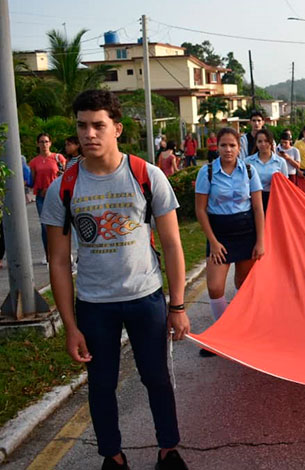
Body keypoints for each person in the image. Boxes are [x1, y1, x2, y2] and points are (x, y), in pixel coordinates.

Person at [42, 89, 189, 470]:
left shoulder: (146, 174)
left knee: (157, 378)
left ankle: (168, 450)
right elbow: (58, 262)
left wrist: (177, 306)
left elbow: (173, 244)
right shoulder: (64, 187)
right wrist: (70, 326)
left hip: (145, 297)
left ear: (117, 129)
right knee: (102, 386)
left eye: (98, 125)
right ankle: (113, 455)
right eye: (82, 126)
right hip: (94, 306)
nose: (89, 133)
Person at [195, 127, 265, 357]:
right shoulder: (207, 173)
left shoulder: (249, 170)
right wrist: (213, 242)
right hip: (219, 234)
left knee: (243, 284)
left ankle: (240, 330)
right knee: (215, 287)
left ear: (239, 147)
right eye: (223, 145)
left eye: (232, 145)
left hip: (246, 231)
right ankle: (224, 334)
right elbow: (201, 210)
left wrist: (260, 241)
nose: (228, 150)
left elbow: (257, 207)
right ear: (217, 147)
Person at [29, 132, 66, 263]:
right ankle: (48, 254)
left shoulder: (58, 158)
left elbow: (65, 176)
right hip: (41, 197)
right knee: (45, 226)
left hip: (56, 196)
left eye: (46, 141)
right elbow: (32, 181)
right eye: (41, 142)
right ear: (37, 144)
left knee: (60, 224)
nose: (44, 144)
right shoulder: (34, 162)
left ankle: (62, 252)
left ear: (50, 143)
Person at [246, 129, 289, 212]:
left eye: (266, 141)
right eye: (260, 141)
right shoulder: (248, 161)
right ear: (256, 143)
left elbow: (285, 185)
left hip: (273, 200)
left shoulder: (280, 162)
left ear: (271, 142)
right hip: (253, 199)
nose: (263, 144)